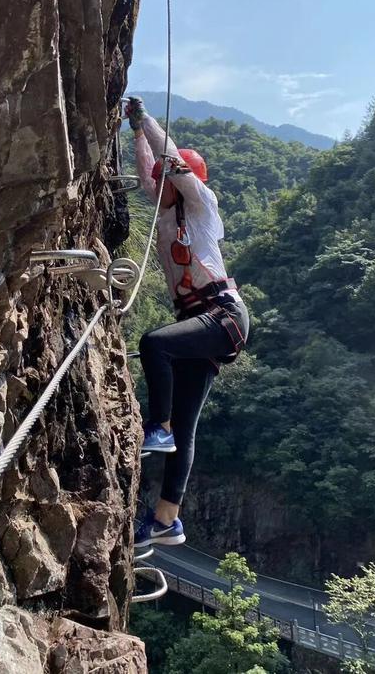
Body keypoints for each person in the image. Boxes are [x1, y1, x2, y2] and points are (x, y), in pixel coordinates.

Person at [125, 96, 250, 549]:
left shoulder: (201, 204)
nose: (159, 185)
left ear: (182, 180)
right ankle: (166, 520)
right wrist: (136, 133)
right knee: (186, 426)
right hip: (202, 321)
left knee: (154, 344)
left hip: (222, 314)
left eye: (169, 179)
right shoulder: (166, 214)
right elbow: (149, 175)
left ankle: (157, 426)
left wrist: (148, 122)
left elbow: (171, 161)